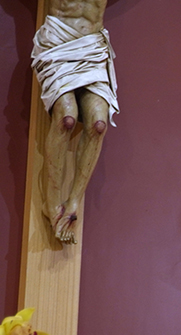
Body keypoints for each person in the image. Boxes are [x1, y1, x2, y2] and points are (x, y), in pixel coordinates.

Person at [31, 0, 119, 245]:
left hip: (92, 46)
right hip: (58, 42)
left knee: (99, 124)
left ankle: (73, 203)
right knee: (66, 118)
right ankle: (51, 202)